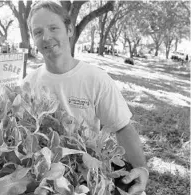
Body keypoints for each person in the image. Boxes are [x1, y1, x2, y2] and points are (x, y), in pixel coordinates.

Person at [24, 1, 149, 195]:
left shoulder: (95, 79)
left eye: (53, 28)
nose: (46, 37)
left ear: (70, 30)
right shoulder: (28, 84)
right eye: (38, 32)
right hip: (44, 182)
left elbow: (122, 127)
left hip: (87, 179)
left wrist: (141, 168)